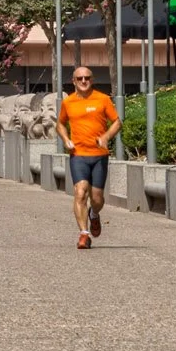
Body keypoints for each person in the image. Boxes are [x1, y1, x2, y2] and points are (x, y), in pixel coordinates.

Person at [56, 64, 121, 248]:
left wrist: (106, 136)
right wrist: (66, 139)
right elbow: (60, 124)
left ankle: (94, 214)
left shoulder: (102, 99)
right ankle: (84, 235)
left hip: (99, 155)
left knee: (97, 198)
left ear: (92, 80)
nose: (83, 81)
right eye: (79, 78)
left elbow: (117, 122)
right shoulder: (68, 102)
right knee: (80, 192)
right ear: (74, 81)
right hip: (78, 155)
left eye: (87, 78)